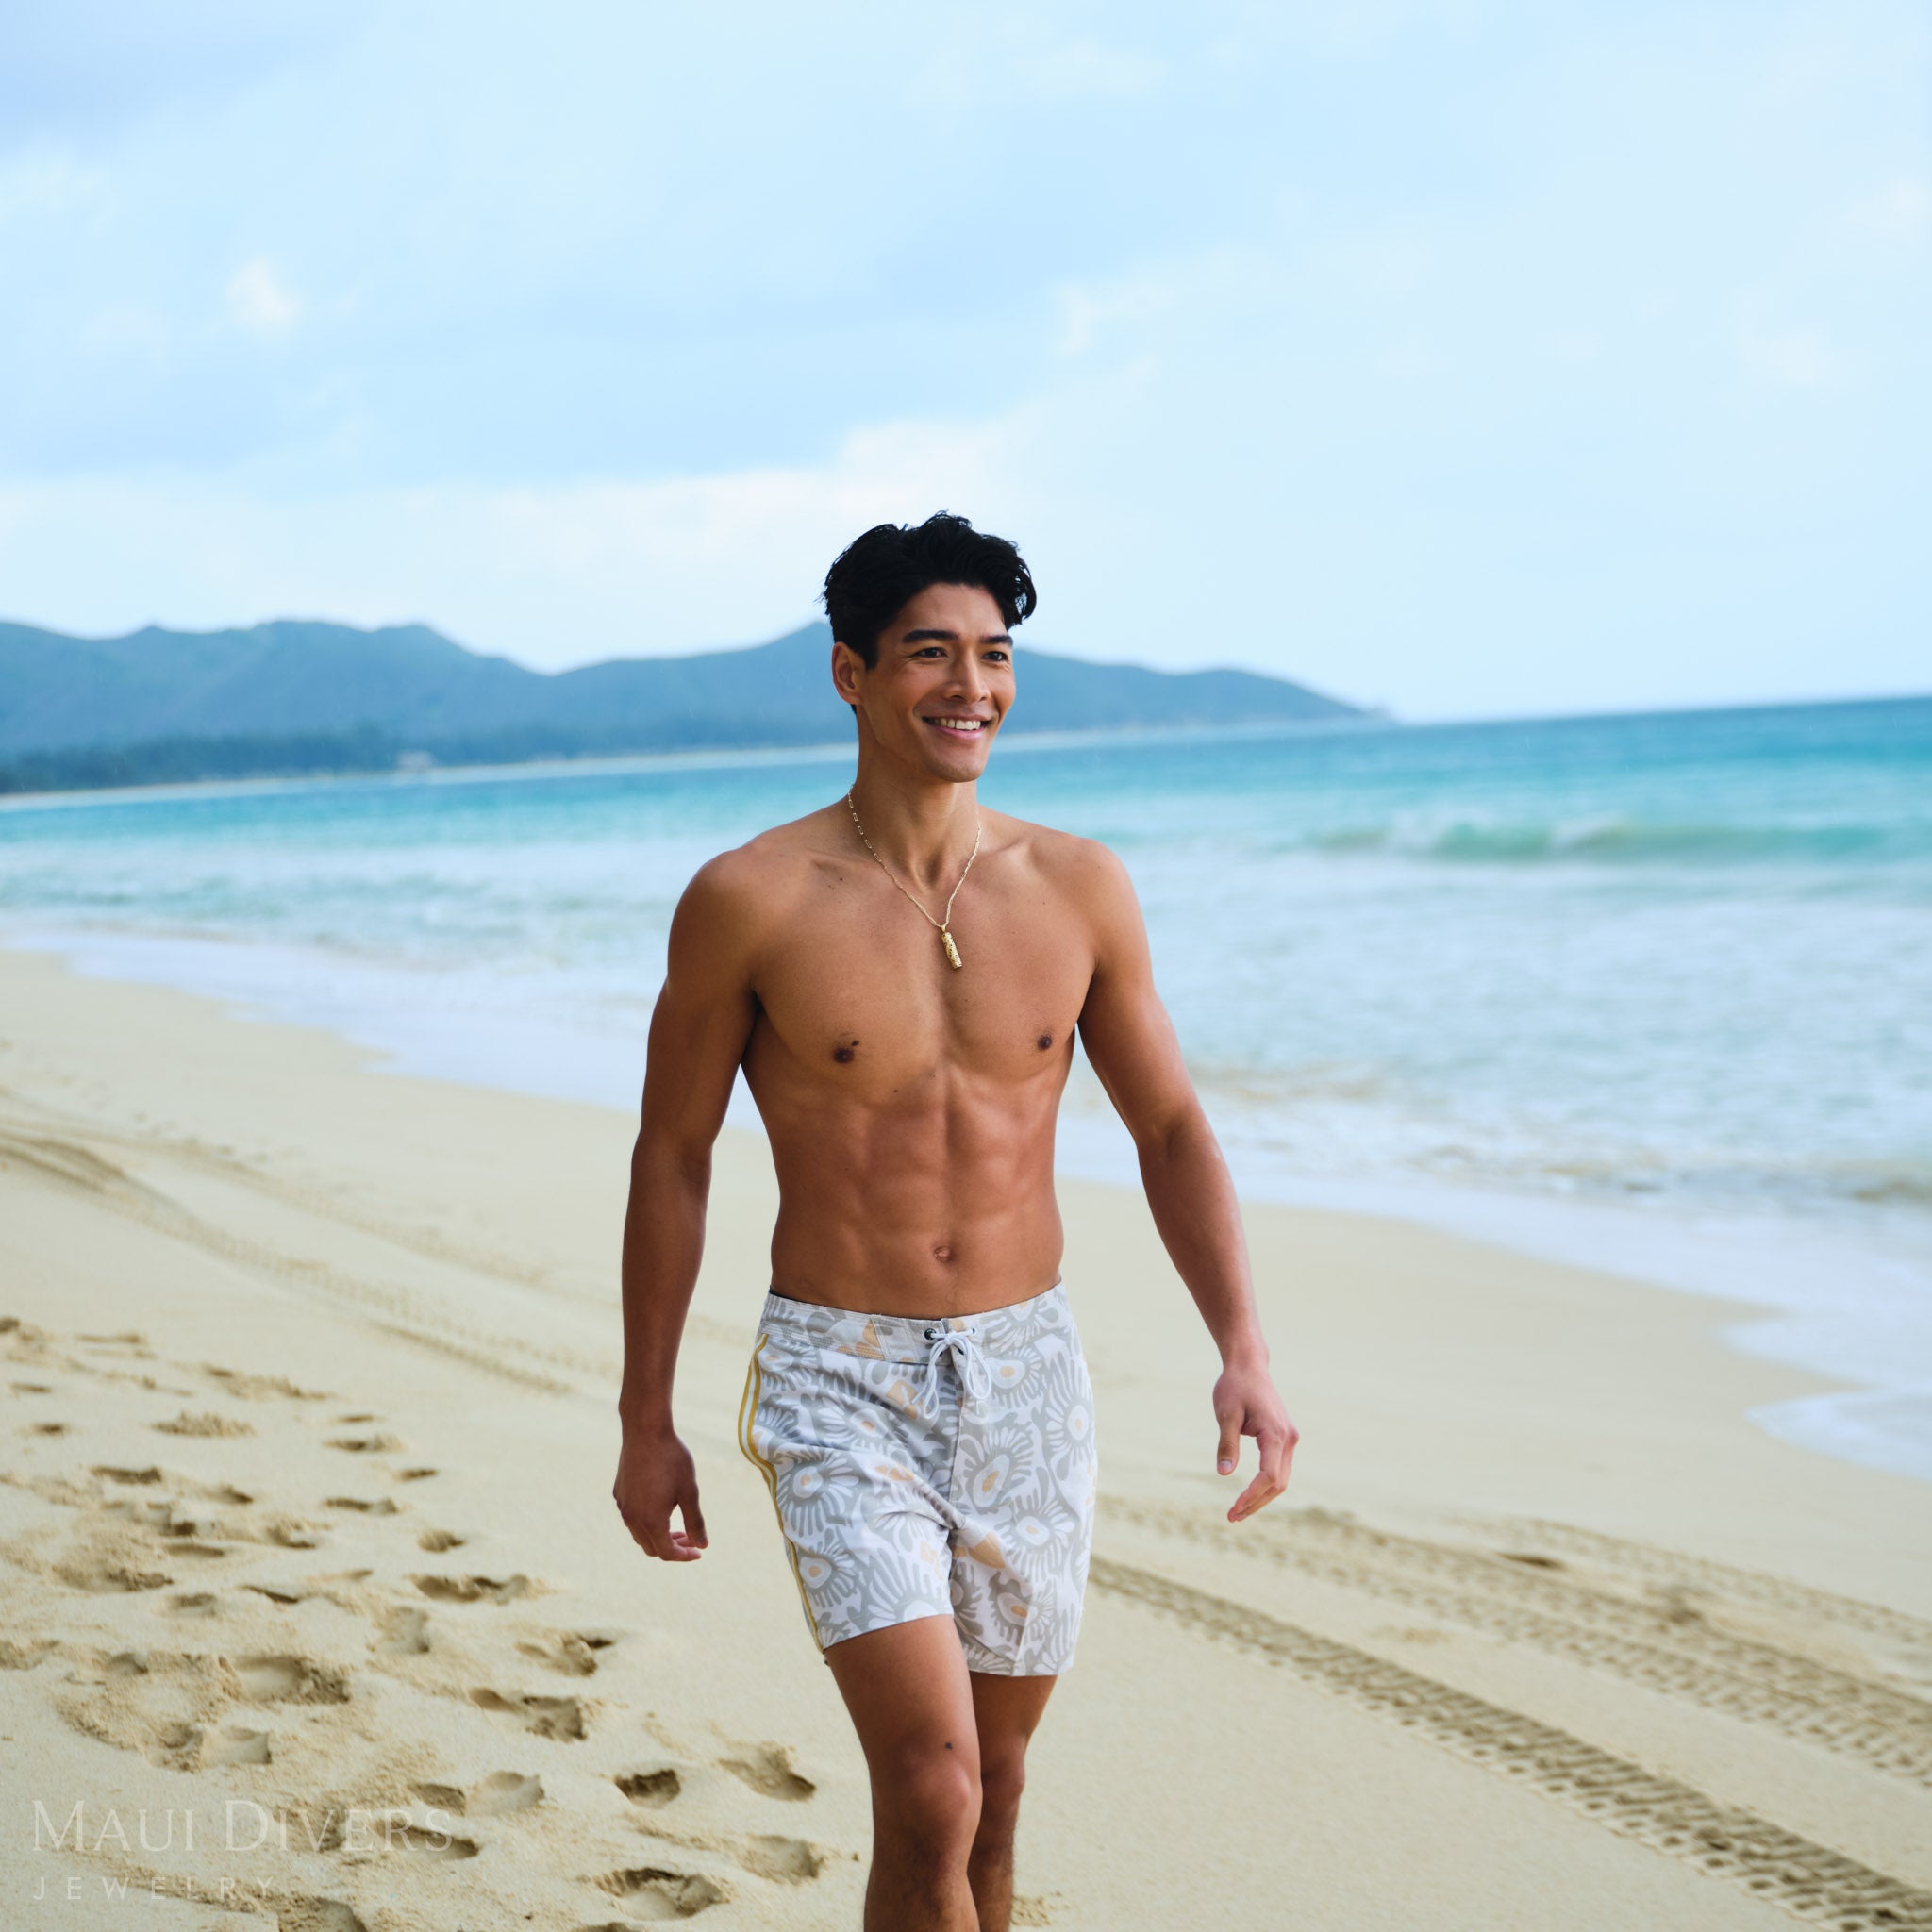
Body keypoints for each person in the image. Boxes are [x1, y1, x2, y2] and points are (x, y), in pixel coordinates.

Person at [613, 512, 1297, 1932]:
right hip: (840, 1377)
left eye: (993, 655)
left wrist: (1242, 1344)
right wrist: (646, 1416)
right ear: (850, 673)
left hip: (1028, 1374)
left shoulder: (1079, 887)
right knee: (930, 1791)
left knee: (996, 1781)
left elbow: (1170, 1127)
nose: (969, 685)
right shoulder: (749, 900)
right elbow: (673, 1156)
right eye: (930, 652)